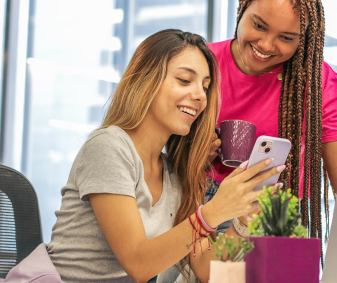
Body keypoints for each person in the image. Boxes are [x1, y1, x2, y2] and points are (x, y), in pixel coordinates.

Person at [47, 29, 283, 283]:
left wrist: (243, 220)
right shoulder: (108, 146)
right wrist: (213, 212)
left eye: (205, 87)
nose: (200, 96)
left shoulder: (174, 175)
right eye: (184, 80)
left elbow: (207, 269)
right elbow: (138, 263)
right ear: (145, 80)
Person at [205, 0, 337, 247]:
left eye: (286, 38)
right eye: (259, 25)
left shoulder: (318, 84)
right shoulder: (200, 64)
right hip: (206, 210)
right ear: (243, 8)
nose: (266, 44)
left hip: (279, 217)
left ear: (302, 41)